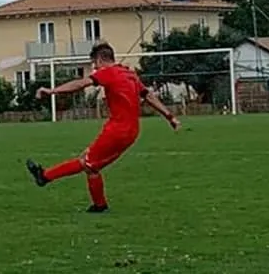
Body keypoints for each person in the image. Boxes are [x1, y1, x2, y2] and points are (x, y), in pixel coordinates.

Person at [25, 42, 180, 212]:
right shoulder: (130, 74)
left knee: (86, 163)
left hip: (118, 130)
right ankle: (99, 205)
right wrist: (170, 116)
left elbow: (80, 84)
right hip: (132, 131)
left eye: (94, 63)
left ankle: (44, 176)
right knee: (91, 163)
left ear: (100, 59)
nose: (94, 68)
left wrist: (52, 91)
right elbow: (148, 96)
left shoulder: (108, 72)